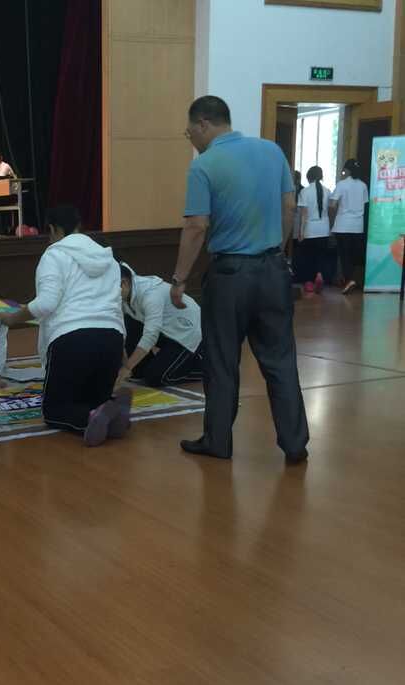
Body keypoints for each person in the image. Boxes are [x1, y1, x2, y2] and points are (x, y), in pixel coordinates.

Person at [170, 95, 308, 463]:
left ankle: (218, 441)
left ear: (203, 124)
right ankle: (295, 443)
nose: (191, 139)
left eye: (189, 132)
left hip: (229, 276)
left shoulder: (204, 166)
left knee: (221, 361)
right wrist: (275, 251)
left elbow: (197, 226)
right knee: (281, 360)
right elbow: (289, 207)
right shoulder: (272, 151)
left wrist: (179, 279)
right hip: (273, 272)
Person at [0, 205, 131, 447]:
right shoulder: (109, 259)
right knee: (93, 399)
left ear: (53, 229)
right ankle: (109, 411)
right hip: (111, 340)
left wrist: (14, 318)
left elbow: (47, 303)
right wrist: (122, 353)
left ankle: (90, 419)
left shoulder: (54, 255)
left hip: (72, 340)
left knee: (54, 409)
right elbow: (116, 306)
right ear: (79, 226)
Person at [119, 262, 203, 386]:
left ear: (124, 283)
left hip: (186, 334)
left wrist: (127, 367)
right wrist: (124, 361)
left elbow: (151, 335)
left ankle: (204, 367)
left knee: (155, 377)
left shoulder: (151, 295)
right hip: (165, 331)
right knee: (131, 323)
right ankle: (147, 368)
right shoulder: (124, 294)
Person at [330, 158, 369, 295]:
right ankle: (353, 279)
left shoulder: (342, 184)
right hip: (358, 226)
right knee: (354, 255)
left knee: (344, 255)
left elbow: (333, 205)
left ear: (347, 170)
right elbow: (364, 204)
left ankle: (349, 280)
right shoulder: (363, 185)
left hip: (343, 225)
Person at [297, 166, 331, 293]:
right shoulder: (327, 191)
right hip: (324, 228)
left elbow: (304, 214)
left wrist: (301, 232)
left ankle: (309, 282)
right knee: (321, 256)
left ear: (308, 177)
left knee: (308, 257)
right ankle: (319, 275)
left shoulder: (304, 192)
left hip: (310, 229)